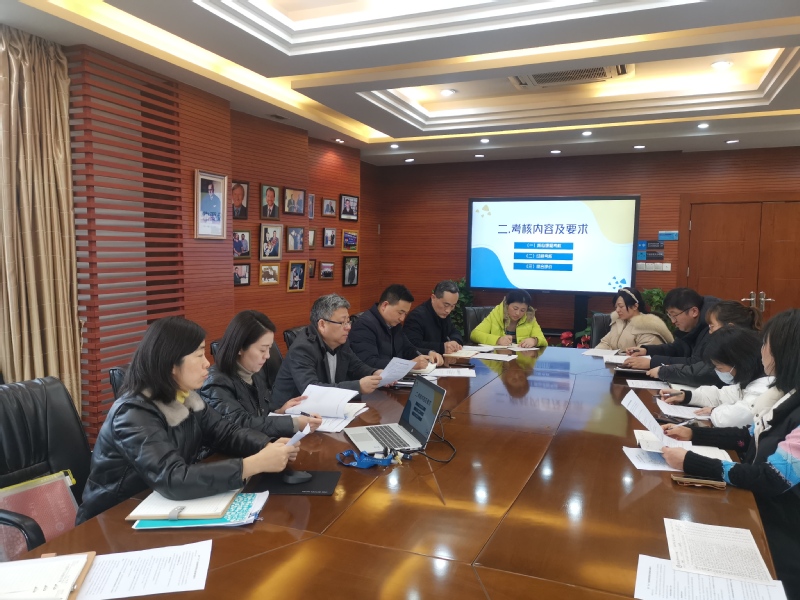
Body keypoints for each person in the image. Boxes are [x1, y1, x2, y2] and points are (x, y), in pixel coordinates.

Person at [76, 317, 299, 524]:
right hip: (113, 520)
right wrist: (252, 465)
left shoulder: (186, 397)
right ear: (171, 363)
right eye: (199, 355)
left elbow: (225, 433)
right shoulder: (133, 413)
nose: (207, 363)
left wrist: (266, 446)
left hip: (159, 507)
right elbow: (172, 477)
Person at [662, 309, 800, 599]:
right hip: (762, 507)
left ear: (785, 351)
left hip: (783, 531)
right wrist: (693, 434)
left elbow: (773, 478)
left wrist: (692, 462)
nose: (761, 350)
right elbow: (746, 438)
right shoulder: (786, 394)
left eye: (766, 343)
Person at [200, 311, 321, 438]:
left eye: (269, 348)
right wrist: (293, 423)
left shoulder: (254, 373)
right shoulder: (215, 383)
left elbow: (261, 414)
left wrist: (280, 412)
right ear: (240, 347)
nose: (267, 356)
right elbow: (240, 424)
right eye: (262, 349)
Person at [271, 294, 383, 406]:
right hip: (290, 411)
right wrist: (358, 387)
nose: (348, 327)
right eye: (342, 322)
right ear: (322, 325)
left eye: (348, 321)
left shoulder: (339, 341)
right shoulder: (302, 349)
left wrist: (374, 373)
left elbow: (356, 366)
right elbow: (311, 390)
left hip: (325, 406)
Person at [659, 326, 772, 427]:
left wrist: (714, 412)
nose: (717, 371)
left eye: (719, 367)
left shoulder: (764, 386)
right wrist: (687, 396)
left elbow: (740, 415)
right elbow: (722, 395)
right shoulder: (748, 379)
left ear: (738, 362)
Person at [644, 298, 760, 386]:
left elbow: (704, 373)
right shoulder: (743, 343)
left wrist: (664, 371)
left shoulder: (738, 350)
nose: (709, 332)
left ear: (729, 327)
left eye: (712, 326)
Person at [623, 288, 720, 386]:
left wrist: (652, 363)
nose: (673, 321)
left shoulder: (714, 329)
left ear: (694, 311)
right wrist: (647, 350)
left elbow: (696, 364)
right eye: (670, 316)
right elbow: (676, 348)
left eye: (674, 315)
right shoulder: (691, 325)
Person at [349, 284, 443, 370]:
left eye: (405, 314)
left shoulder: (395, 325)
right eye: (400, 312)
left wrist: (429, 354)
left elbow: (408, 349)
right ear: (385, 305)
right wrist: (409, 365)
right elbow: (369, 362)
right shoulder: (364, 325)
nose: (402, 318)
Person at [594, 287, 673, 350]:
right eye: (616, 307)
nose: (617, 310)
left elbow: (644, 353)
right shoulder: (618, 322)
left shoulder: (647, 326)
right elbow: (605, 343)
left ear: (635, 306)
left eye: (621, 306)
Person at [470, 289, 548, 348]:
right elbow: (475, 334)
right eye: (515, 308)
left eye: (522, 310)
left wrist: (534, 340)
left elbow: (543, 340)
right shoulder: (496, 314)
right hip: (498, 359)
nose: (518, 313)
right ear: (507, 305)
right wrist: (498, 340)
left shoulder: (529, 317)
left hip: (522, 359)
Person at [405, 280, 465, 354]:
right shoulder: (416, 316)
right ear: (433, 298)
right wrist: (442, 348)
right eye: (446, 305)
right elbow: (413, 345)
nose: (448, 310)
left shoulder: (444, 313)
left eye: (452, 306)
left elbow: (454, 331)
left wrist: (454, 341)